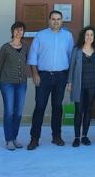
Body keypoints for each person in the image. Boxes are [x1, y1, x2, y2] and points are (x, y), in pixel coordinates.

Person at [26, 10, 74, 150]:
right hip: (43, 76)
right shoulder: (40, 35)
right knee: (40, 107)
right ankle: (34, 139)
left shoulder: (68, 36)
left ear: (62, 21)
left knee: (57, 108)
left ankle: (56, 136)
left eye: (58, 19)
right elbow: (33, 56)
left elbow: (71, 58)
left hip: (61, 76)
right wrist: (35, 74)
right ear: (49, 20)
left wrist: (69, 79)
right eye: (53, 19)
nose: (56, 21)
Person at [0, 21, 28, 151]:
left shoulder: (25, 47)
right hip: (7, 84)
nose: (19, 32)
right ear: (12, 31)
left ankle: (14, 138)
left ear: (23, 32)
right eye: (16, 30)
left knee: (19, 112)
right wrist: (3, 79)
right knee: (9, 111)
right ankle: (8, 139)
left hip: (22, 84)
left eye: (21, 30)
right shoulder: (5, 47)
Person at [67, 26, 95, 147]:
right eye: (87, 35)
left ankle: (85, 136)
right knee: (78, 111)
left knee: (88, 110)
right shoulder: (77, 50)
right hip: (79, 85)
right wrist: (69, 82)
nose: (89, 37)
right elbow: (71, 67)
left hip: (92, 86)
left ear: (94, 37)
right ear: (83, 36)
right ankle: (77, 137)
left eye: (91, 35)